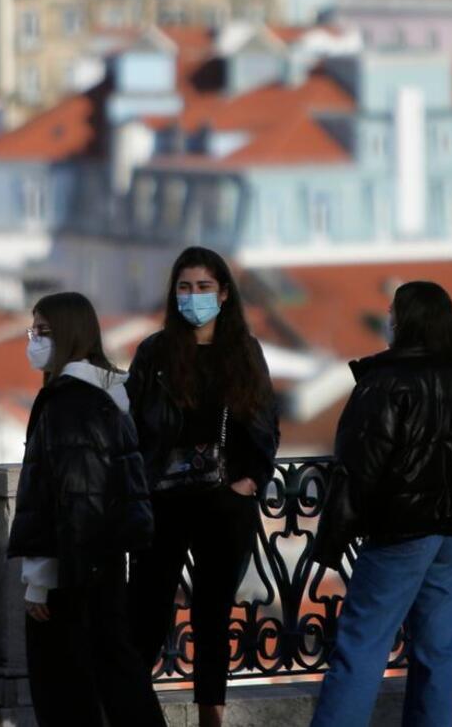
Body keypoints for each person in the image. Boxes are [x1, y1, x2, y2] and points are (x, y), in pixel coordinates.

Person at [306, 281, 452, 727]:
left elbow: (358, 468)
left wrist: (330, 543)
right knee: (438, 650)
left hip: (401, 533)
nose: (387, 320)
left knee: (363, 644)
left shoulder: (383, 385)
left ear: (405, 322)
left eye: (392, 312)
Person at [126, 247, 280, 727]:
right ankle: (129, 708)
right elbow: (133, 424)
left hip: (224, 503)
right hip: (164, 501)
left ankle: (211, 714)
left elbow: (265, 424)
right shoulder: (155, 352)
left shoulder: (243, 352)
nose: (193, 296)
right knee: (148, 611)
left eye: (203, 287)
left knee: (213, 616)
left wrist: (251, 481)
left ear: (224, 293)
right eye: (185, 287)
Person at [8, 291, 165, 727]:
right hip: (105, 559)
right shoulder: (108, 393)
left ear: (69, 334)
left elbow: (68, 496)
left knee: (66, 686)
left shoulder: (69, 402)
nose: (34, 341)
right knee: (115, 671)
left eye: (43, 331)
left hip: (72, 568)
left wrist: (40, 579)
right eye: (32, 331)